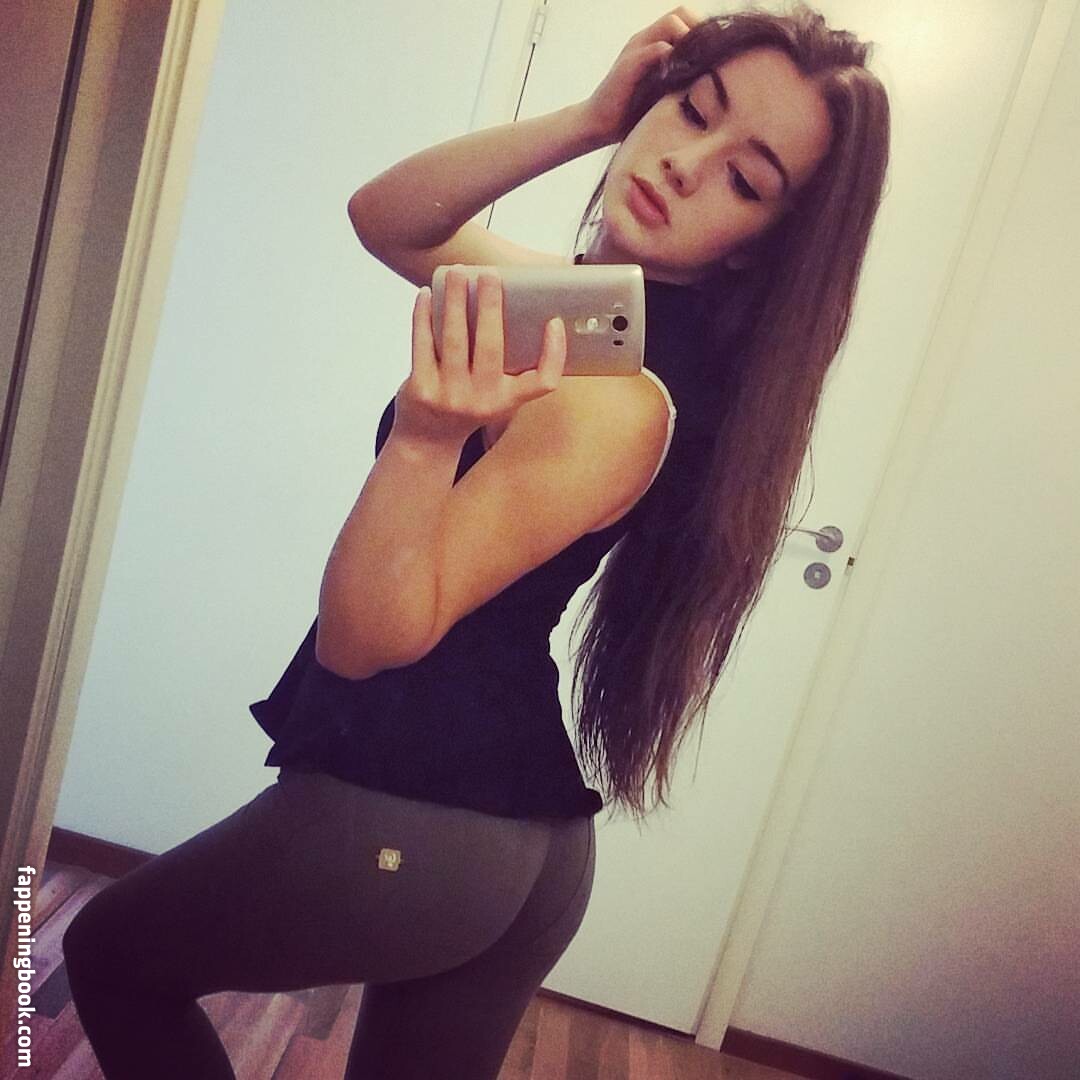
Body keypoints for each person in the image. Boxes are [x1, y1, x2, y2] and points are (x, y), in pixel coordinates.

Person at [62, 5, 890, 1078]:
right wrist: (587, 117)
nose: (686, 165)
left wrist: (423, 440)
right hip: (523, 840)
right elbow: (390, 220)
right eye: (694, 109)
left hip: (415, 817)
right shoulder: (598, 317)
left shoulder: (612, 394)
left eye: (745, 179)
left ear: (759, 247)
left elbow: (366, 640)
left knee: (108, 956)